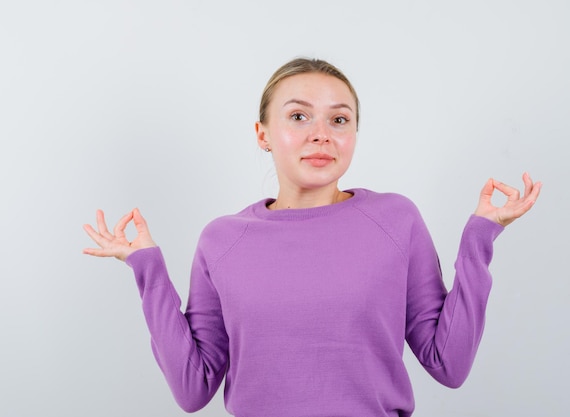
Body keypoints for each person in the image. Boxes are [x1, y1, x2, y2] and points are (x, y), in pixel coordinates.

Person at [83, 58, 541, 417]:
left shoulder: (395, 220)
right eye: (299, 116)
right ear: (263, 134)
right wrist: (146, 266)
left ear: (355, 134)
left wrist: (481, 236)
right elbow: (191, 389)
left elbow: (450, 364)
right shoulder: (222, 241)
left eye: (339, 121)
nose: (321, 134)